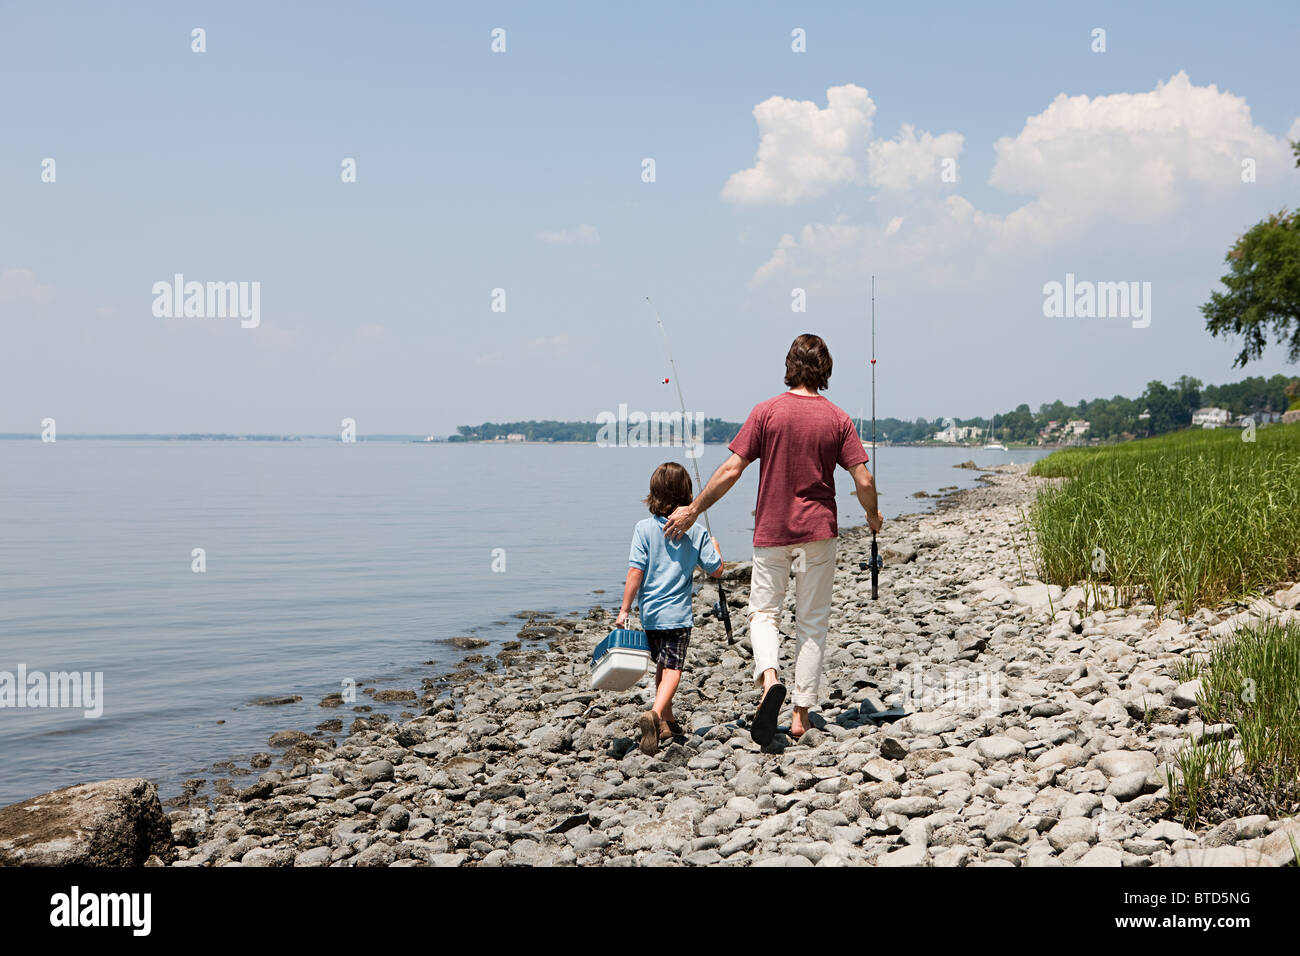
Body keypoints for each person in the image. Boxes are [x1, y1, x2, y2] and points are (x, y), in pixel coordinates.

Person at [664, 333, 882, 745]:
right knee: (811, 621)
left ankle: (769, 682)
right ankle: (800, 715)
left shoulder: (766, 412)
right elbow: (864, 478)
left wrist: (693, 509)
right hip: (817, 536)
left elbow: (732, 469)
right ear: (826, 369)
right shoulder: (837, 419)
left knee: (764, 613)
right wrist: (872, 515)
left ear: (789, 366)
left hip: (773, 533)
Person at [615, 462, 724, 756]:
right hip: (677, 616)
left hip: (650, 615)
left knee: (661, 666)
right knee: (674, 669)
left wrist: (624, 609)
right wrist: (714, 545)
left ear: (654, 494)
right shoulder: (697, 532)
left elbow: (634, 572)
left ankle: (667, 721)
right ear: (687, 494)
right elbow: (716, 570)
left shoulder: (643, 529)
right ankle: (654, 713)